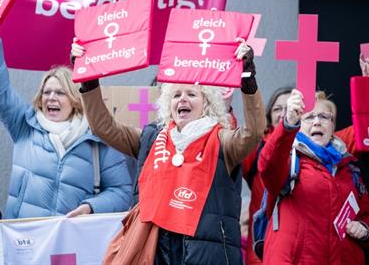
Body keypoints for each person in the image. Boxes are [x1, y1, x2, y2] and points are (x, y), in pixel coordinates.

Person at [73, 39, 265, 264]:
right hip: (157, 252)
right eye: (176, 95)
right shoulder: (152, 138)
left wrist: (247, 81)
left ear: (207, 104)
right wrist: (88, 81)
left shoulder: (223, 140)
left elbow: (253, 133)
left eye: (192, 94)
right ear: (168, 105)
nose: (182, 98)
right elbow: (103, 127)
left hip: (207, 255)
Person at [0, 7, 131, 219]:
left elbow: (121, 192)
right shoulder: (24, 125)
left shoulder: (99, 137)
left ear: (75, 100)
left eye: (60, 93)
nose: (51, 98)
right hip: (25, 237)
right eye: (46, 92)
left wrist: (91, 207)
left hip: (73, 241)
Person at [258, 89, 369, 265]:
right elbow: (267, 166)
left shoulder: (348, 168)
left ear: (333, 126)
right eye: (309, 117)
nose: (317, 122)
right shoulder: (289, 159)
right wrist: (287, 125)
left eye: (324, 117)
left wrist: (365, 229)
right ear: (299, 125)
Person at [241, 86, 292, 264]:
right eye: (278, 109)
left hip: (297, 238)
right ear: (269, 114)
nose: (283, 113)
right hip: (261, 241)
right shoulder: (256, 145)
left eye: (289, 107)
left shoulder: (313, 146)